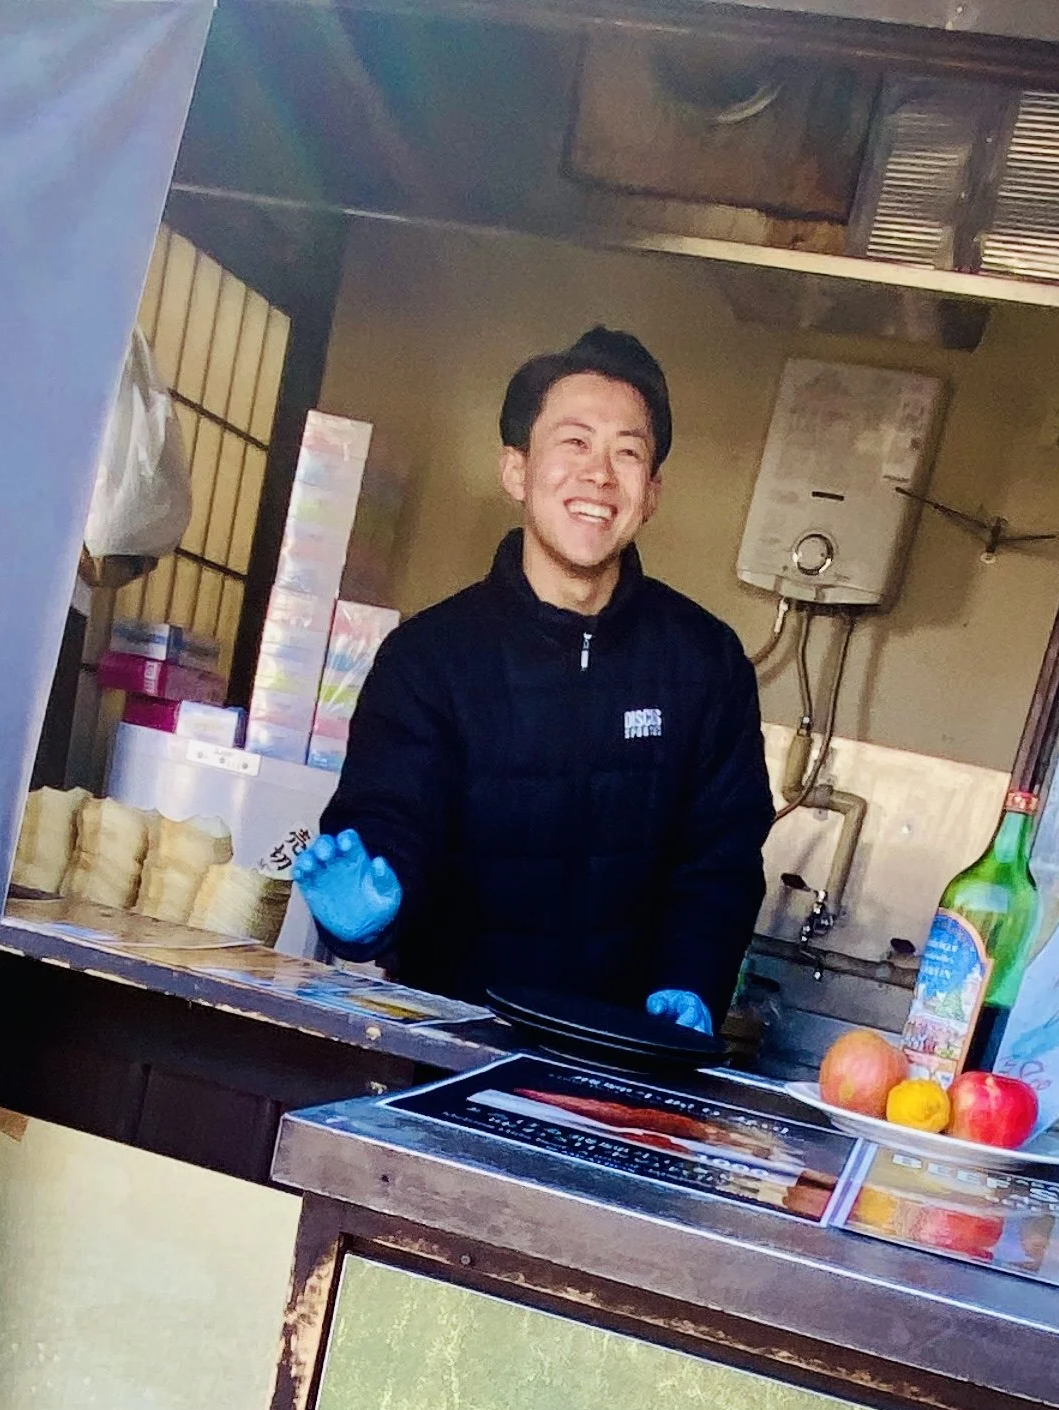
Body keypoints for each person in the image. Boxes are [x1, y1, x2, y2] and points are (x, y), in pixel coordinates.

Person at [292, 326, 773, 1035]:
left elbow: (722, 856)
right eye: (574, 442)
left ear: (652, 495)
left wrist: (693, 978)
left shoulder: (705, 662)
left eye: (627, 452)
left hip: (626, 1057)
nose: (600, 475)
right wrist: (363, 914)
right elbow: (392, 817)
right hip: (449, 1043)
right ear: (516, 469)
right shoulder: (428, 657)